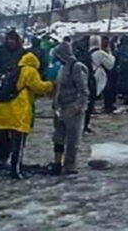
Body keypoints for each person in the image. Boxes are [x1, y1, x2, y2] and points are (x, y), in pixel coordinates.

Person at [0, 51, 53, 177]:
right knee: (17, 144)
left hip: (0, 111)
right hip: (17, 111)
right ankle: (16, 170)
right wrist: (51, 85)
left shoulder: (12, 70)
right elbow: (38, 87)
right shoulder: (30, 71)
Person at [50, 41, 89, 175]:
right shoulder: (61, 68)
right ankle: (57, 163)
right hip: (61, 108)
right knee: (58, 137)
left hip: (73, 108)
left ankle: (70, 166)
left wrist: (79, 106)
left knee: (73, 140)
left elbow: (83, 89)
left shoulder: (77, 67)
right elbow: (58, 86)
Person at [87, 35, 115, 127]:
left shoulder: (88, 51)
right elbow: (110, 64)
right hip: (99, 74)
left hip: (90, 73)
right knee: (96, 91)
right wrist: (110, 54)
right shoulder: (99, 53)